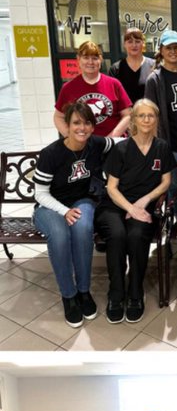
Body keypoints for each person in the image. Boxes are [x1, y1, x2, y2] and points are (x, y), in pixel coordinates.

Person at [34, 102, 113, 327]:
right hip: (49, 207)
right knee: (60, 235)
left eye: (87, 123)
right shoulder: (51, 154)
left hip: (81, 200)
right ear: (66, 126)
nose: (82, 128)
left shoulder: (95, 144)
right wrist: (64, 211)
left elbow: (119, 142)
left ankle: (84, 291)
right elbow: (40, 194)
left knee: (83, 228)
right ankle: (69, 296)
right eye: (76, 122)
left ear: (93, 127)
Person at [96, 98, 171, 323]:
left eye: (150, 115)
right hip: (115, 205)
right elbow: (111, 187)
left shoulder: (162, 147)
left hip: (144, 206)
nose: (146, 119)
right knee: (117, 235)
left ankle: (136, 292)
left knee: (137, 235)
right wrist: (130, 207)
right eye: (141, 115)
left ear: (156, 119)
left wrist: (144, 201)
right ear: (133, 120)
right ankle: (116, 293)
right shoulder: (121, 148)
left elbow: (166, 182)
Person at [143, 30, 177, 220]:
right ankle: (176, 221)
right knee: (173, 185)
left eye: (176, 47)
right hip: (171, 143)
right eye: (169, 48)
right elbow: (150, 115)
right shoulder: (155, 79)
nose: (173, 51)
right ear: (161, 50)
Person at [54, 41, 132, 139]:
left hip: (113, 143)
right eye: (86, 57)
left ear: (101, 60)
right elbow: (58, 117)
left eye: (95, 58)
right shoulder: (68, 88)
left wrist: (110, 139)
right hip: (83, 145)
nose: (90, 62)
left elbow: (127, 115)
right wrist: (72, 138)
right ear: (78, 59)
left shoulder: (114, 84)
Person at [110, 27, 153, 104]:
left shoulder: (153, 65)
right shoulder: (115, 69)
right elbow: (113, 97)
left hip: (148, 110)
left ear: (143, 43)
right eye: (130, 42)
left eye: (137, 41)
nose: (134, 45)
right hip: (125, 111)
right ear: (124, 44)